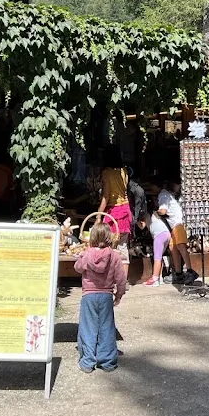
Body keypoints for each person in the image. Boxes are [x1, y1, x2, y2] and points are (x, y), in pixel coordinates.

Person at [74, 223, 126, 373]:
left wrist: (82, 255)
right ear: (110, 237)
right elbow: (121, 278)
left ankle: (88, 362)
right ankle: (107, 362)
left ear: (92, 237)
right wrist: (119, 294)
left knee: (88, 328)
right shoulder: (114, 255)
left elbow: (77, 267)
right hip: (106, 295)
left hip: (89, 295)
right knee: (107, 328)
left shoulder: (87, 254)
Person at [97, 144, 132, 276]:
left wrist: (99, 215)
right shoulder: (124, 171)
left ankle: (109, 278)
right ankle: (123, 279)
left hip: (113, 213)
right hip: (125, 210)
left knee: (108, 246)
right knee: (123, 247)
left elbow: (106, 196)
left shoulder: (106, 173)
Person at [158, 178, 197, 285]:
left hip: (177, 224)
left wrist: (155, 212)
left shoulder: (163, 195)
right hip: (175, 225)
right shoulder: (168, 195)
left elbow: (163, 211)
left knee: (181, 247)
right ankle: (178, 273)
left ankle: (190, 271)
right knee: (173, 248)